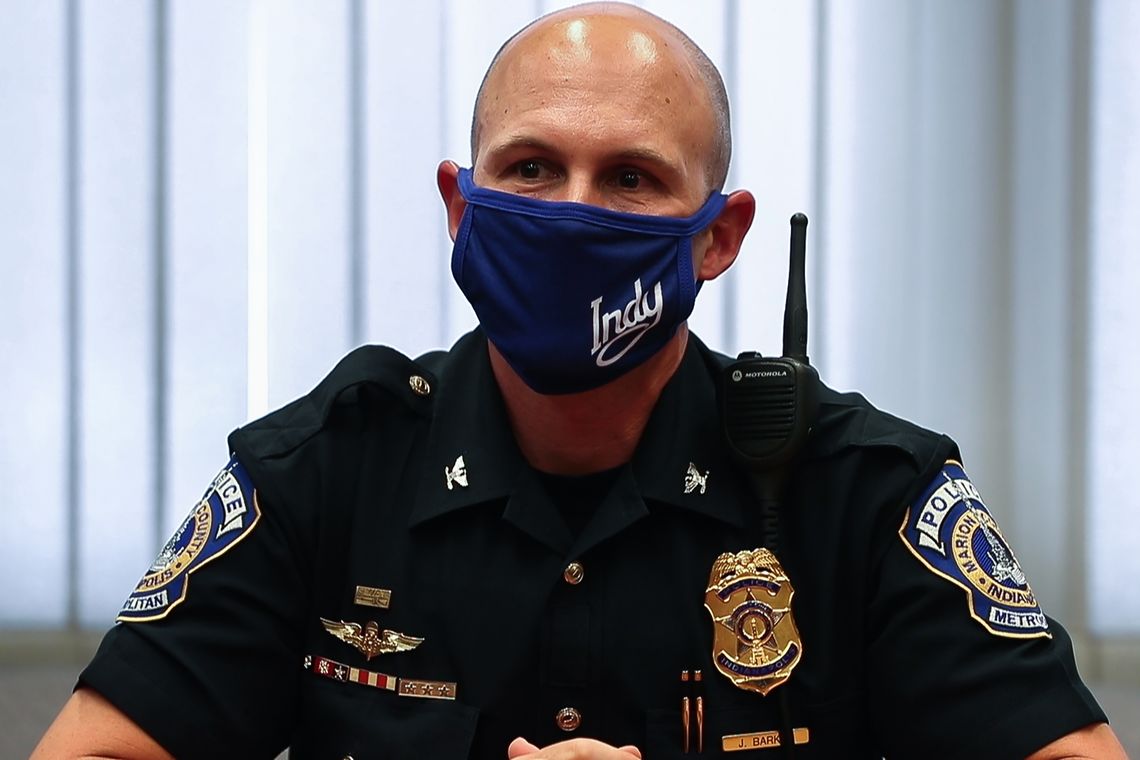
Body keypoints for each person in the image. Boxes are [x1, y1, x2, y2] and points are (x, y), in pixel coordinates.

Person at [33, 3, 1127, 759]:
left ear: (721, 235)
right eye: (531, 169)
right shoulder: (323, 472)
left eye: (633, 179)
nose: (572, 212)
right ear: (463, 206)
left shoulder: (868, 493)